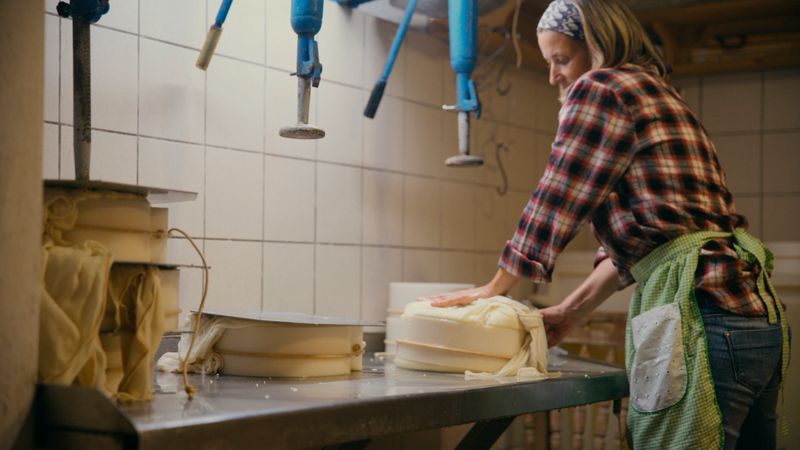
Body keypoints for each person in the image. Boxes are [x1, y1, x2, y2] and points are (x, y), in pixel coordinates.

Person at [421, 0, 789, 448]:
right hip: (754, 322)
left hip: (703, 322)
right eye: (548, 62)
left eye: (562, 59)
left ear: (596, 46)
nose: (555, 75)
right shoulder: (657, 91)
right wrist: (570, 313)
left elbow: (557, 197)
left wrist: (492, 288)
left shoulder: (602, 87)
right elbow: (651, 248)